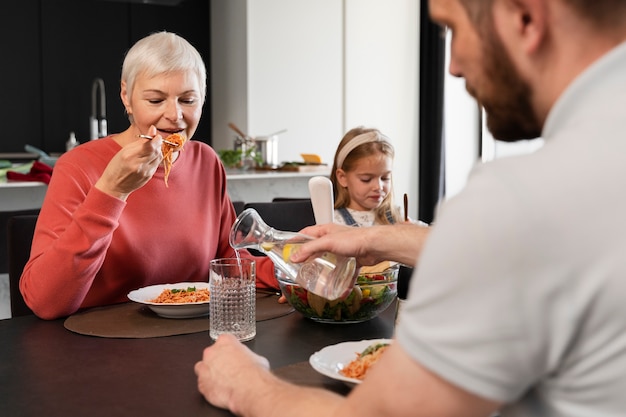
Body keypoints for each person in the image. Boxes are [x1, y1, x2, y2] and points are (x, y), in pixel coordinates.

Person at [195, 0, 626, 416]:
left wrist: (247, 387)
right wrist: (375, 239)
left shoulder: (519, 198)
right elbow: (521, 254)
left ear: (526, 16)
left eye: (454, 28)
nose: (453, 65)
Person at [20, 31, 278, 320]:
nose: (175, 115)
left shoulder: (205, 161)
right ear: (126, 97)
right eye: (155, 100)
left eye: (188, 100)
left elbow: (230, 263)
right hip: (98, 343)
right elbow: (45, 301)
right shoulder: (78, 166)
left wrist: (293, 266)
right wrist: (111, 191)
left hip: (192, 337)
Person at [330, 126, 403, 226]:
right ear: (342, 178)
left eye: (385, 178)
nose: (378, 187)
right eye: (366, 179)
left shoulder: (398, 216)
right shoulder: (334, 222)